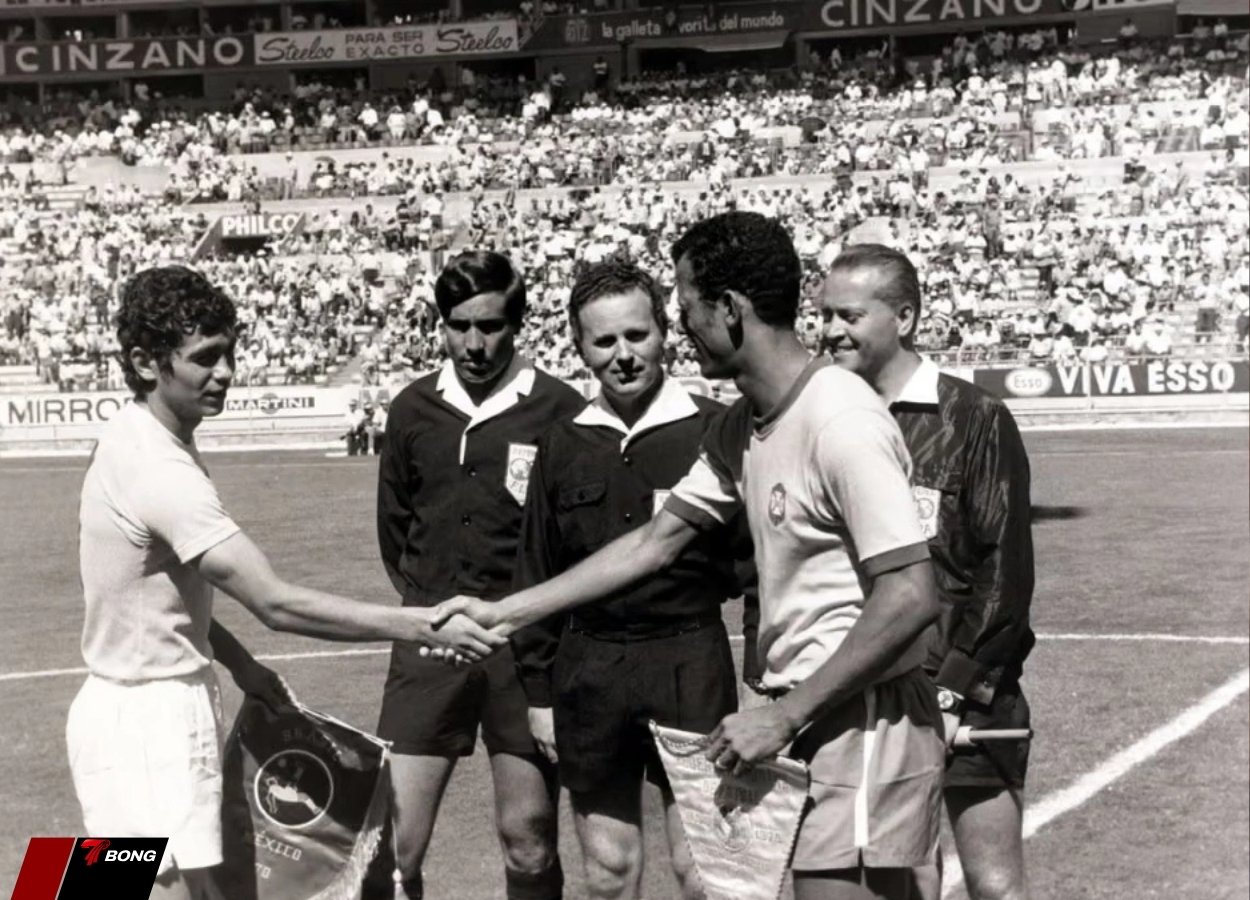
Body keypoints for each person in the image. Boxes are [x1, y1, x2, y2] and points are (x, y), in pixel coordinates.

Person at [435, 213, 944, 900]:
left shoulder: (841, 420)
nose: (680, 324)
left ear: (729, 310)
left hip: (859, 714)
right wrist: (503, 612)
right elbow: (654, 542)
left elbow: (910, 594)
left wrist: (784, 716)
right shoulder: (743, 425)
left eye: (685, 306)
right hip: (806, 712)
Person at [70, 265, 504, 900]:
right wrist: (421, 622)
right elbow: (274, 601)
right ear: (144, 362)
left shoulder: (132, 437)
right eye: (205, 359)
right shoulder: (161, 471)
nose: (225, 373)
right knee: (153, 892)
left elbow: (154, 595)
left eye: (230, 354)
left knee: (121, 886)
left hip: (123, 706)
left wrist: (242, 666)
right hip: (151, 718)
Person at [511, 259, 758, 899]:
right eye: (604, 341)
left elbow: (761, 566)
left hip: (690, 661)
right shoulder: (562, 443)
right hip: (588, 669)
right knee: (609, 873)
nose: (623, 355)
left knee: (704, 871)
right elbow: (536, 572)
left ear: (664, 333)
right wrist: (540, 696)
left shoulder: (716, 428)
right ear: (580, 348)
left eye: (636, 335)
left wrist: (760, 680)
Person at [819, 244, 1035, 900]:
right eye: (824, 314)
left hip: (964, 695)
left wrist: (951, 692)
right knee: (898, 887)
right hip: (862, 696)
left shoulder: (974, 418)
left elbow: (1004, 569)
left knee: (995, 888)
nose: (830, 330)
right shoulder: (824, 415)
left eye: (850, 315)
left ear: (905, 317)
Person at [374, 250, 583, 900]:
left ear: (516, 324)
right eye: (458, 324)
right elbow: (395, 529)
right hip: (430, 643)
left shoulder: (559, 407)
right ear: (441, 324)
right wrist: (429, 607)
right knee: (392, 845)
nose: (473, 342)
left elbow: (574, 544)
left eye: (489, 325)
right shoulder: (413, 408)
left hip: (524, 652)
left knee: (528, 839)